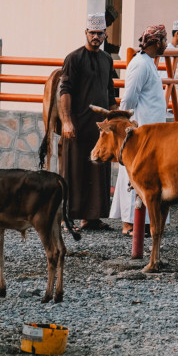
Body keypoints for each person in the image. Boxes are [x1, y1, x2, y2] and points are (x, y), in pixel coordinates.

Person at [59, 13, 118, 231]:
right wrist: (67, 121)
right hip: (77, 125)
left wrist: (115, 119)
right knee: (74, 170)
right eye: (92, 32)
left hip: (100, 127)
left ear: (105, 34)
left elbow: (110, 92)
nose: (95, 36)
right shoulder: (73, 58)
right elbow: (65, 91)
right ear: (85, 33)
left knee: (98, 169)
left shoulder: (107, 59)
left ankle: (91, 218)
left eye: (99, 33)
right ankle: (68, 219)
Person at [109, 24, 168, 236]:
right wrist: (125, 127)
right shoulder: (139, 64)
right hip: (139, 131)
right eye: (164, 40)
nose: (167, 44)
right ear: (157, 42)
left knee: (148, 175)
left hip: (152, 131)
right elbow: (129, 99)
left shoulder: (149, 63)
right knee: (132, 175)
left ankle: (144, 222)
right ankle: (129, 222)